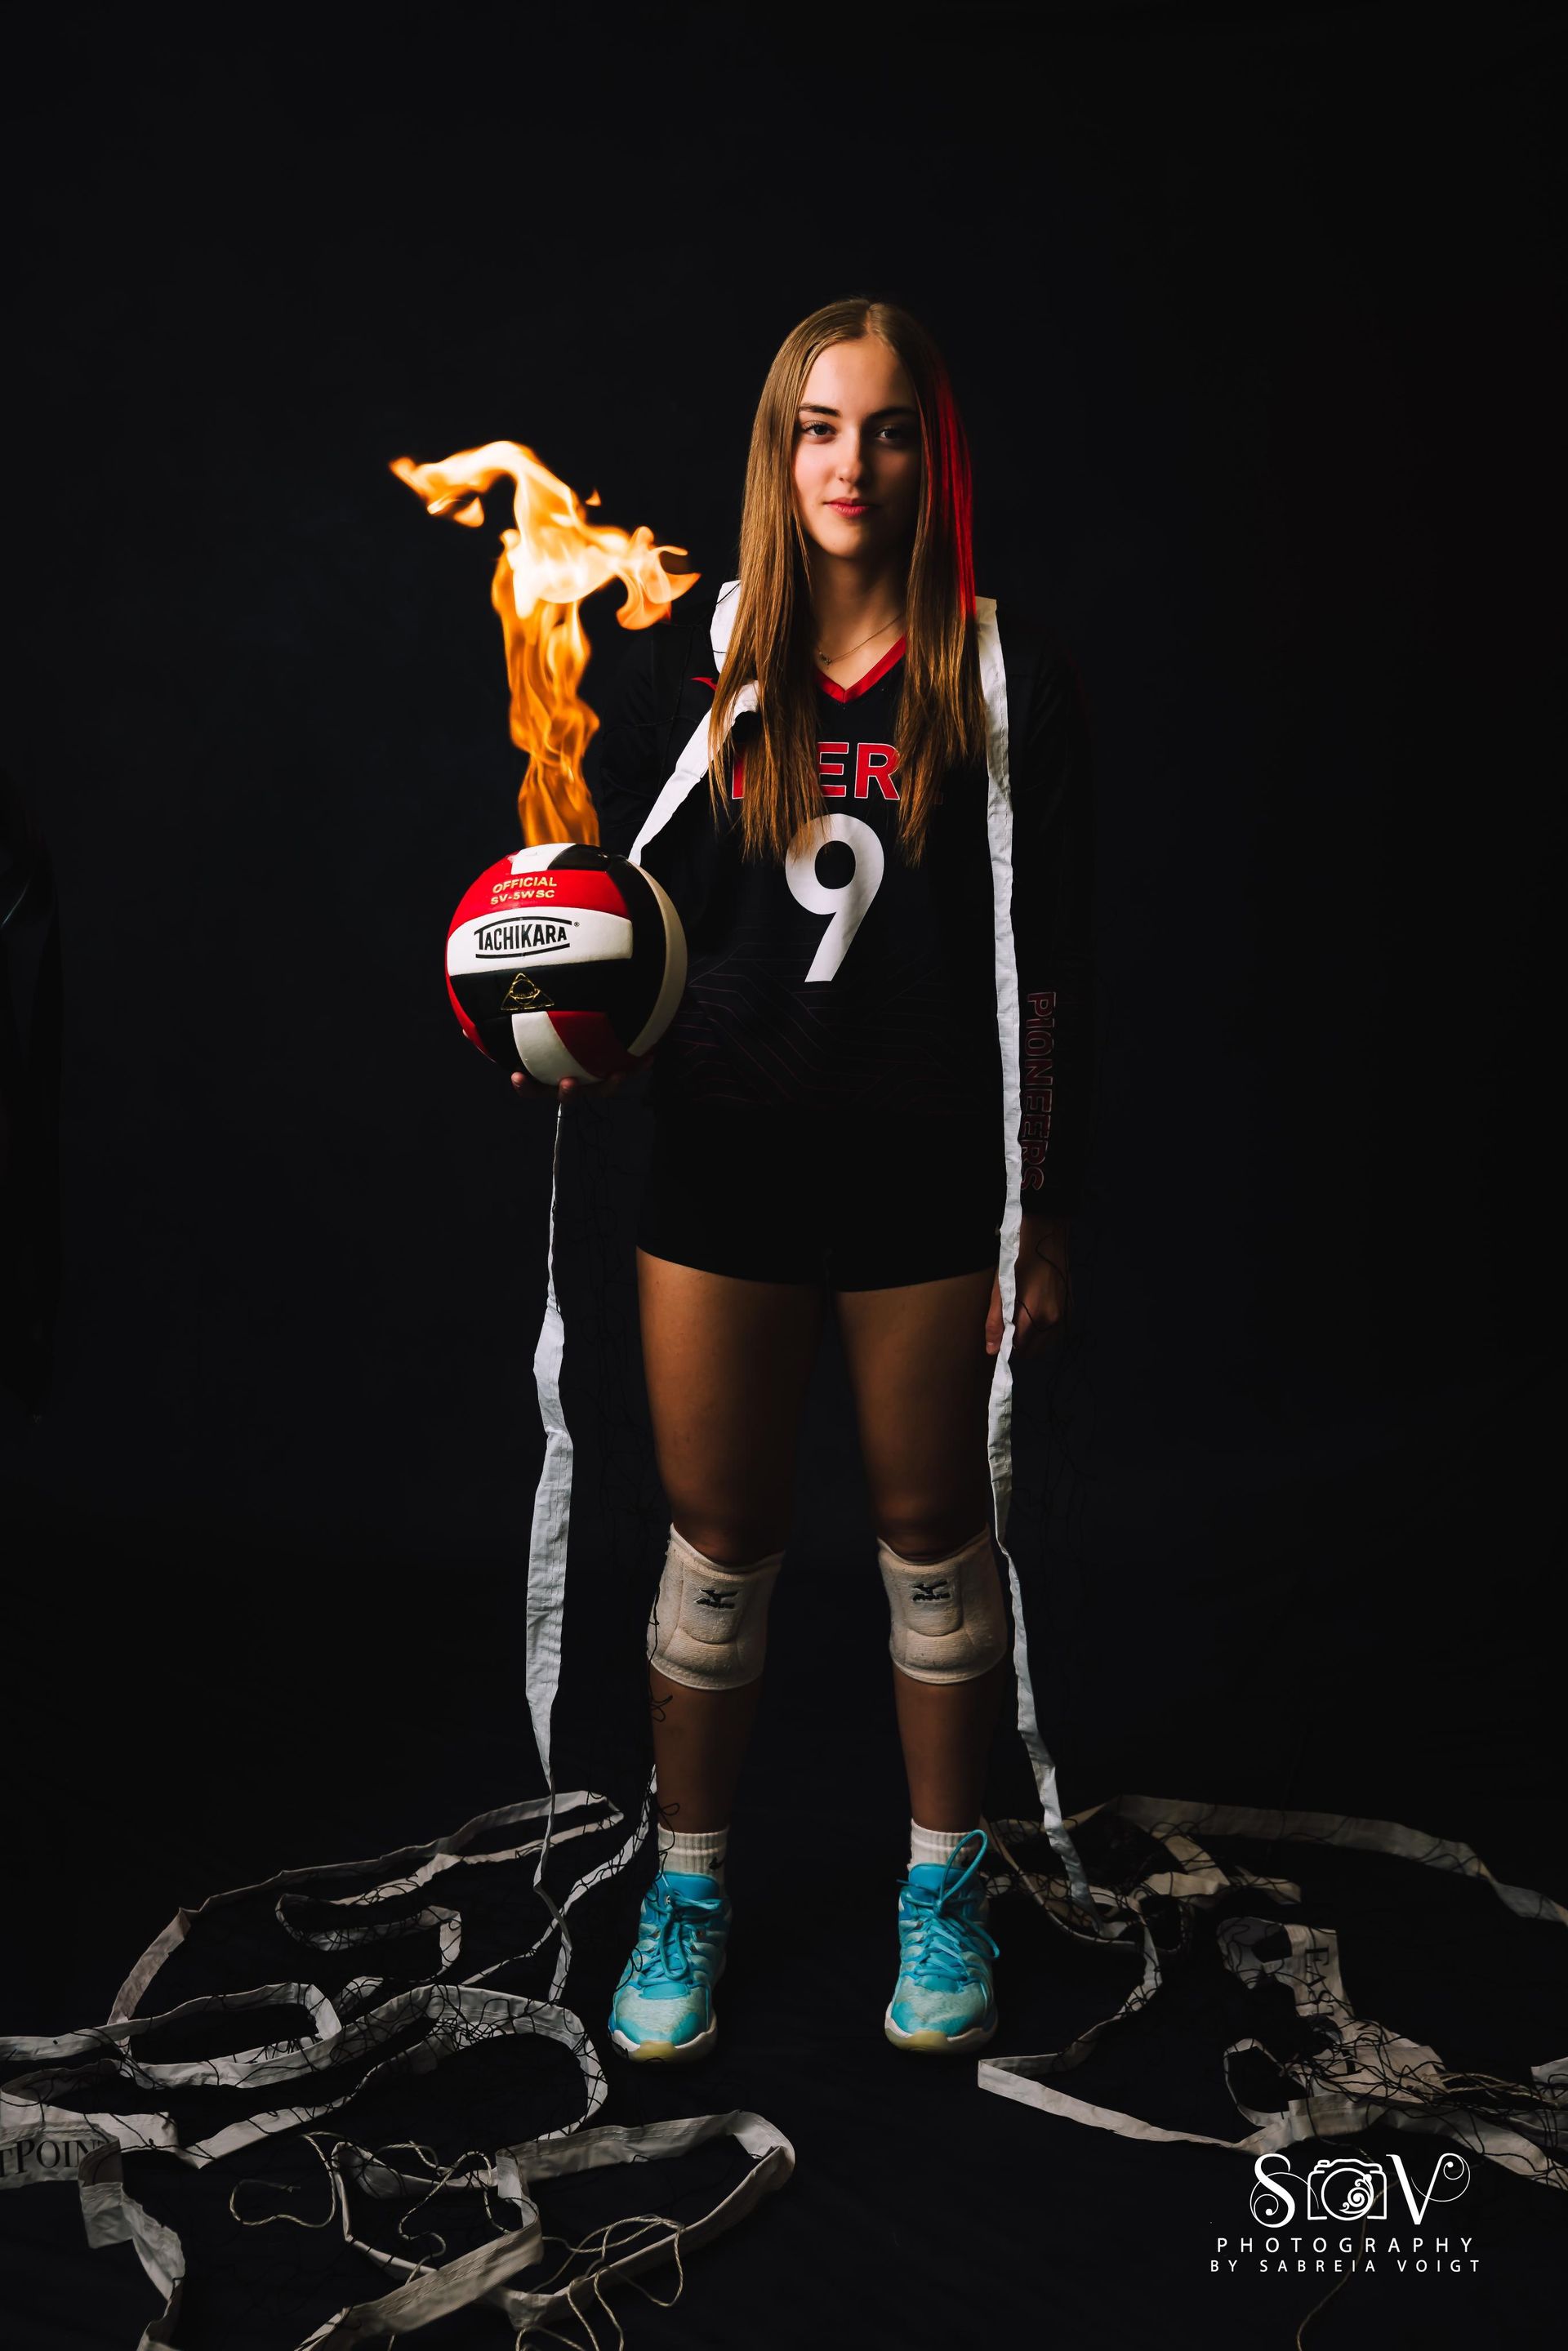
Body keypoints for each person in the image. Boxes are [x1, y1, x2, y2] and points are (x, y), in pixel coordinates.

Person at [514, 296, 1095, 2062]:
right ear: (780, 454)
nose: (855, 462)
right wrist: (551, 1011)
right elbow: (616, 928)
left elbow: (1047, 964)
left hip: (923, 1181)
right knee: (718, 1546)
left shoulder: (997, 673)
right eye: (820, 427)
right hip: (723, 1167)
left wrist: (1041, 1205)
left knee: (932, 1536)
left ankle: (943, 1879)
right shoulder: (692, 653)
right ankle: (689, 1886)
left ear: (936, 455)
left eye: (892, 427)